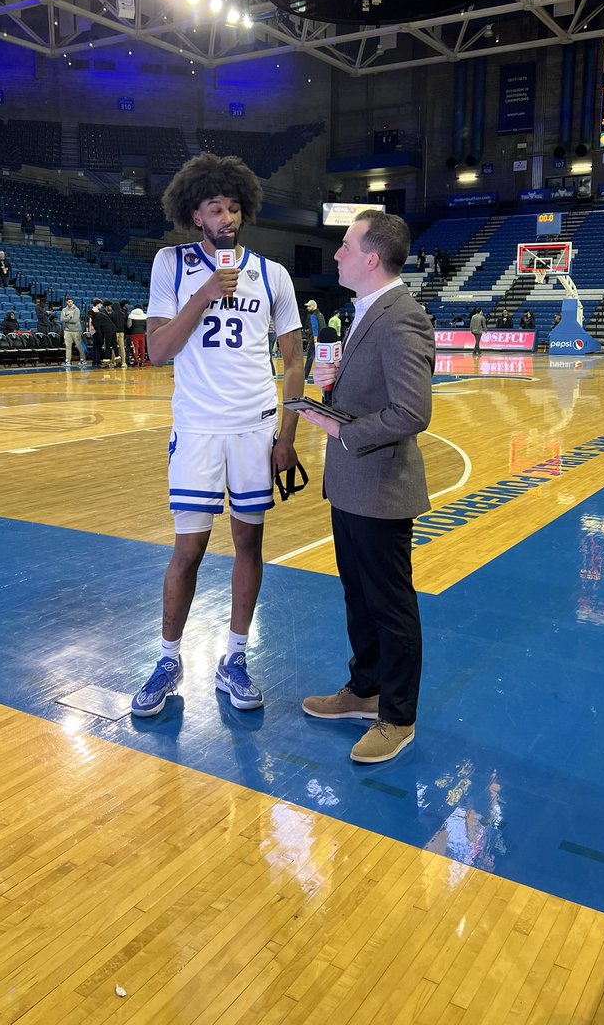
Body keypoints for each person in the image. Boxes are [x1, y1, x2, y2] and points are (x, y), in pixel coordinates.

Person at [130, 152, 304, 719]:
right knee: (189, 550)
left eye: (233, 206)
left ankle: (234, 657)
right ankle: (168, 658)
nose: (226, 216)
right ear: (194, 213)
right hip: (198, 430)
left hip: (255, 430)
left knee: (248, 544)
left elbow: (295, 361)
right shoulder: (170, 265)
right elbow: (156, 352)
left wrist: (287, 434)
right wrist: (204, 294)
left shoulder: (273, 274)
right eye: (214, 207)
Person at [295, 210, 434, 764]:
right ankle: (365, 690)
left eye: (346, 245)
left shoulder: (402, 318)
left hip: (379, 489)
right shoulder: (367, 311)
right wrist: (335, 394)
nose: (336, 254)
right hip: (352, 486)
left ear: (371, 258)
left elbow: (411, 411)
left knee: (391, 606)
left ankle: (397, 717)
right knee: (359, 598)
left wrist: (338, 425)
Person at [60, 296, 88, 369]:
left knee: (78, 345)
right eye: (68, 302)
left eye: (71, 302)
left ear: (73, 302)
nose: (70, 303)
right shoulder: (64, 309)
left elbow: (75, 320)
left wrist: (67, 318)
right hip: (67, 331)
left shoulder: (76, 310)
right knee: (68, 347)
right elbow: (62, 319)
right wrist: (69, 317)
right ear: (66, 302)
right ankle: (68, 361)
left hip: (76, 330)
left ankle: (83, 359)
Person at [304, 298, 325, 379]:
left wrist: (315, 340)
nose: (307, 308)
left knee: (309, 358)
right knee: (321, 360)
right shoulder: (321, 315)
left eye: (309, 306)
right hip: (322, 340)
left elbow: (315, 328)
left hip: (314, 340)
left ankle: (304, 377)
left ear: (313, 306)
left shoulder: (313, 316)